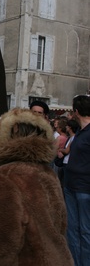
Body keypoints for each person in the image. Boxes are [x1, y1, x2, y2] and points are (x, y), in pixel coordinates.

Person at [0, 108, 73, 266]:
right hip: (58, 258)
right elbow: (61, 224)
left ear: (12, 132)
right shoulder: (47, 172)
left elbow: (3, 239)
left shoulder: (7, 174)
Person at [64, 95, 90, 266]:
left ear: (76, 111)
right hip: (71, 185)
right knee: (72, 230)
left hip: (85, 188)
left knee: (86, 231)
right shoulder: (80, 132)